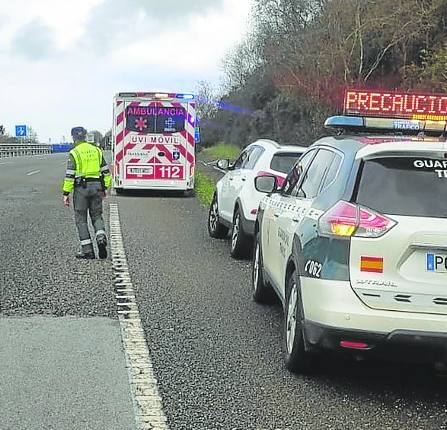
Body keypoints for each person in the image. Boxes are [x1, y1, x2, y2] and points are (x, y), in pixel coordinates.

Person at [62, 127, 112, 259]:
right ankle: (101, 237)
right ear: (85, 136)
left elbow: (70, 175)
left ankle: (88, 251)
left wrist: (66, 193)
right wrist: (105, 187)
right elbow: (106, 171)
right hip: (97, 187)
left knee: (81, 219)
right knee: (97, 216)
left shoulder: (74, 152)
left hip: (81, 189)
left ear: (73, 137)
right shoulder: (97, 150)